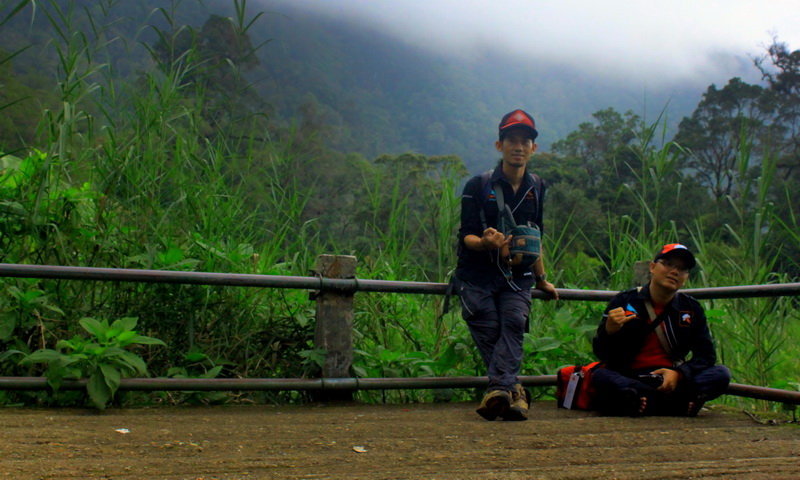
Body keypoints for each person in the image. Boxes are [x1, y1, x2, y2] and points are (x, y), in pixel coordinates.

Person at [455, 109, 558, 421]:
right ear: (499, 145)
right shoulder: (478, 185)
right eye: (512, 140)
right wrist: (485, 243)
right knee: (489, 327)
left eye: (525, 141)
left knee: (513, 324)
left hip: (518, 276)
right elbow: (465, 237)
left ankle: (501, 391)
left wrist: (541, 279)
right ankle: (514, 391)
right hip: (477, 276)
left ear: (533, 148)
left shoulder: (537, 188)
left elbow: (535, 237)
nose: (519, 146)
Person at [592, 243, 731, 416]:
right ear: (652, 267)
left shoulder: (690, 308)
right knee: (600, 376)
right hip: (633, 377)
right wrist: (609, 331)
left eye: (682, 269)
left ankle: (643, 403)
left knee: (721, 374)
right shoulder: (625, 301)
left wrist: (679, 374)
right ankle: (673, 405)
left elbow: (706, 356)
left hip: (671, 380)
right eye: (668, 264)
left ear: (686, 277)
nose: (674, 271)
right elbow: (602, 354)